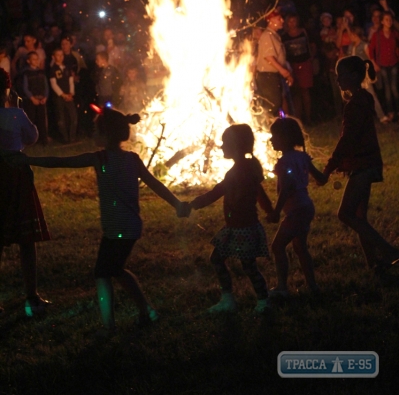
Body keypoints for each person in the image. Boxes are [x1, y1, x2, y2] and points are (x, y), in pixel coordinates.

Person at [22, 106, 190, 333]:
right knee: (115, 270)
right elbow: (156, 185)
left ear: (105, 134)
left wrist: (28, 160)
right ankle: (145, 312)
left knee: (103, 273)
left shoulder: (99, 158)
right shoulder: (132, 159)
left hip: (117, 228)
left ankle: (113, 324)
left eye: (95, 129)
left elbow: (61, 161)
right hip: (130, 226)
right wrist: (177, 204)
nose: (92, 133)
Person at [323, 56, 399, 272]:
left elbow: (348, 139)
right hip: (365, 162)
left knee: (345, 214)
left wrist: (329, 167)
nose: (338, 81)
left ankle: (389, 251)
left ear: (355, 76)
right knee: (359, 217)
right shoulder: (362, 99)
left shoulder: (355, 105)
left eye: (341, 76)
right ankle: (375, 264)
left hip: (363, 164)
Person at [189, 124, 274, 314]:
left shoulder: (238, 172)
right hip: (238, 227)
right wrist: (270, 211)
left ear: (235, 145)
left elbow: (216, 192)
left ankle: (260, 301)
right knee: (223, 260)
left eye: (225, 143)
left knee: (247, 266)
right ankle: (235, 299)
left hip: (242, 228)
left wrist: (192, 205)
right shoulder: (247, 168)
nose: (221, 146)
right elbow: (259, 193)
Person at [0, 68, 50, 317]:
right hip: (16, 177)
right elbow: (32, 137)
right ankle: (32, 295)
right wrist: (16, 109)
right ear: (6, 90)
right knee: (26, 240)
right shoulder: (16, 114)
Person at [267, 117, 326, 298]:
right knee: (300, 247)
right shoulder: (302, 157)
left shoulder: (284, 163)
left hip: (296, 211)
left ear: (285, 138)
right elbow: (321, 179)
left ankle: (282, 288)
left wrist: (276, 211)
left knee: (277, 247)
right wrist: (327, 174)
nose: (271, 140)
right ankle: (313, 286)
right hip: (306, 207)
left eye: (274, 136)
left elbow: (287, 188)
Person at [255, 10, 293, 117]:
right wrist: (282, 70)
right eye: (278, 18)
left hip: (273, 75)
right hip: (267, 76)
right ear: (270, 20)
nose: (282, 21)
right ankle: (267, 128)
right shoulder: (267, 36)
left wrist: (285, 72)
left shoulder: (274, 35)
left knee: (277, 102)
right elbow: (268, 57)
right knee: (273, 104)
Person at [282, 13, 315, 125]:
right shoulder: (284, 36)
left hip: (305, 64)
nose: (292, 23)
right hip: (292, 66)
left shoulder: (304, 32)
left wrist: (312, 58)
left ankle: (309, 117)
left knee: (305, 91)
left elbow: (312, 46)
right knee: (296, 93)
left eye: (294, 21)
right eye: (290, 21)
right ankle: (298, 119)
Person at [368, 11, 399, 121]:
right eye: (386, 20)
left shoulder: (395, 33)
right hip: (383, 65)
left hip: (394, 63)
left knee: (394, 87)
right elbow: (370, 50)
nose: (389, 22)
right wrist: (374, 63)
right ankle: (390, 112)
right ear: (382, 21)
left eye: (390, 19)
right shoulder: (377, 35)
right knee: (387, 88)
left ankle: (397, 110)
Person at [48, 48, 78, 143]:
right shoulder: (52, 69)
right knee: (61, 119)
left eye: (62, 55)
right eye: (58, 55)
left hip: (69, 96)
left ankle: (72, 137)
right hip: (59, 98)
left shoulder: (67, 68)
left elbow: (71, 82)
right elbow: (54, 84)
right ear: (53, 57)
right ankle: (65, 138)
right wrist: (63, 95)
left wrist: (71, 93)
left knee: (73, 117)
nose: (60, 57)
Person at [21, 51, 50, 145]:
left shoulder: (42, 72)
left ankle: (43, 139)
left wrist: (45, 97)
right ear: (28, 61)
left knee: (42, 120)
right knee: (31, 119)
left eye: (37, 58)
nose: (36, 61)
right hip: (31, 101)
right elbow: (25, 88)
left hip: (41, 99)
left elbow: (46, 86)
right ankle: (31, 140)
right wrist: (32, 98)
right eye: (34, 59)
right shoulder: (26, 73)